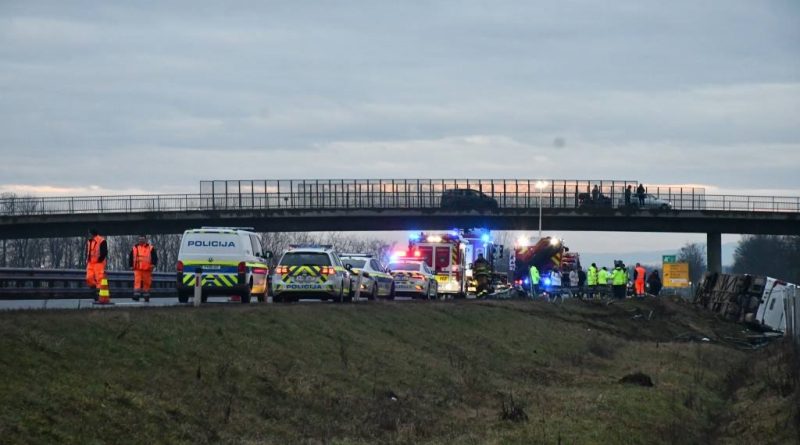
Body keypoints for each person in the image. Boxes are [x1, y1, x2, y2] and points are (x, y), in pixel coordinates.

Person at [129, 235, 158, 302]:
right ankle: (136, 296)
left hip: (147, 269)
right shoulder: (135, 248)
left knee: (147, 283)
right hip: (137, 269)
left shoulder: (150, 248)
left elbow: (154, 257)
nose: (141, 240)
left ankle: (146, 296)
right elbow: (131, 256)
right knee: (137, 283)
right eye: (140, 239)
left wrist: (153, 264)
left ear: (145, 240)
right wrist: (130, 265)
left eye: (142, 239)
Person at [85, 228, 108, 300]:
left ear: (92, 234)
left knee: (99, 279)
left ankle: (98, 295)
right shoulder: (89, 241)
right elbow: (88, 252)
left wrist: (100, 259)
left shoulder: (101, 240)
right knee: (88, 278)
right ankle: (94, 289)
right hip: (90, 263)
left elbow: (104, 252)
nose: (88, 235)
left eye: (89, 233)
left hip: (99, 263)